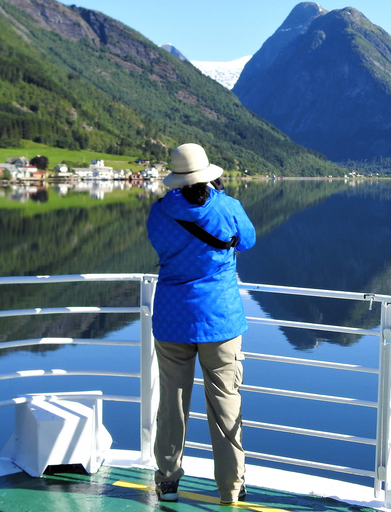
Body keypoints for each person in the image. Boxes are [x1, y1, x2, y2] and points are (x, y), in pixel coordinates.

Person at [146, 143, 256, 504]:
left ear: (175, 179)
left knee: (172, 404)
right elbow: (249, 242)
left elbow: (160, 248)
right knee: (226, 404)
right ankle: (230, 488)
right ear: (209, 174)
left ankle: (167, 481)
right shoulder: (228, 206)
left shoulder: (159, 212)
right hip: (219, 321)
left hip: (172, 319)